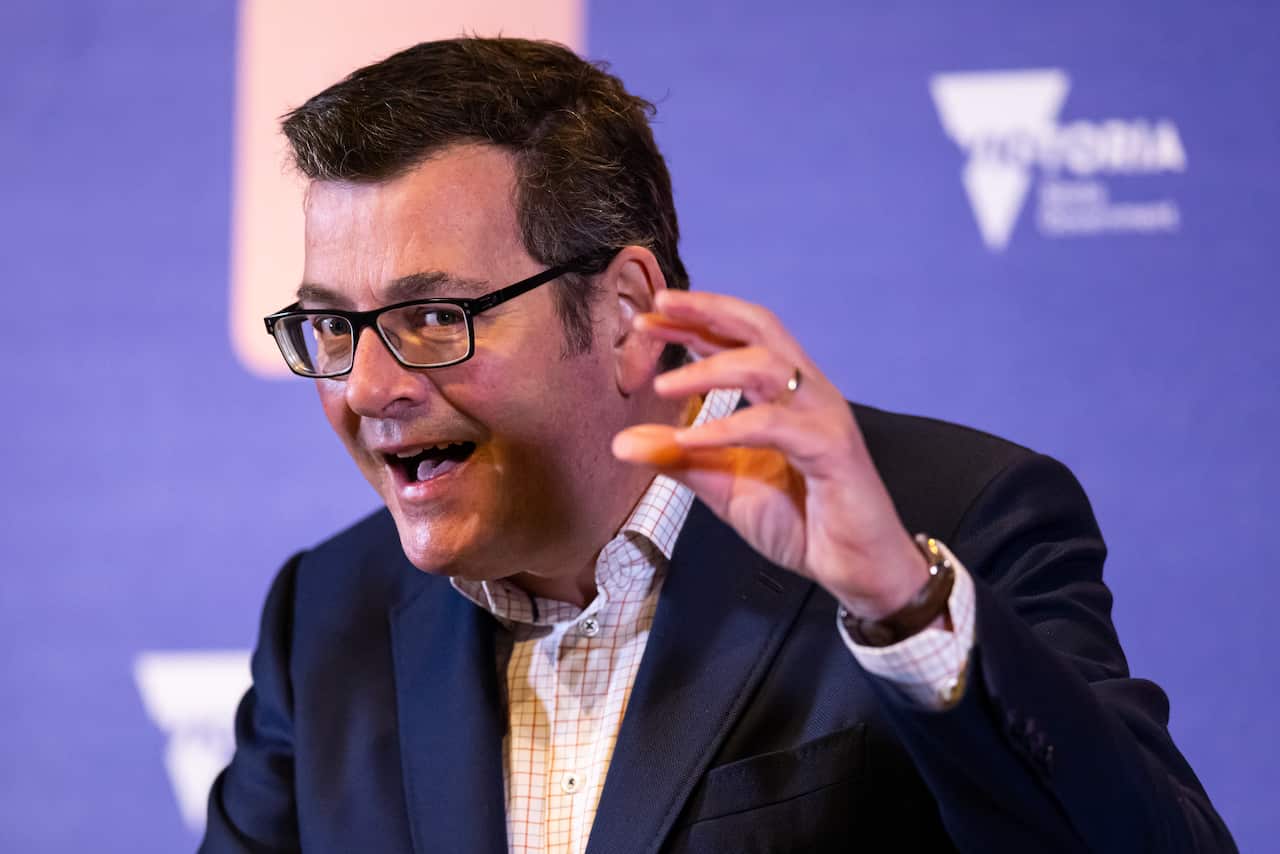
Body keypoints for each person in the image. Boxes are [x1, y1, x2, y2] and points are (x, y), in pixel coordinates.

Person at [202, 37, 1234, 853]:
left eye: (433, 316)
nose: (367, 385)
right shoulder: (323, 618)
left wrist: (897, 604)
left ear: (626, 309)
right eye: (329, 325)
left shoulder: (952, 522)